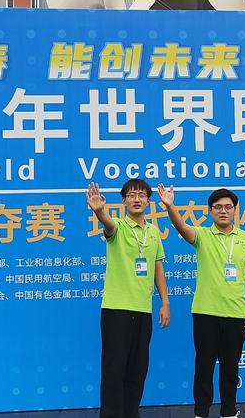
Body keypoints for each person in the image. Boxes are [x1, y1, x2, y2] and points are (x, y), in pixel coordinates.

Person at [158, 184, 245, 418]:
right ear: (210, 211)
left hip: (236, 313)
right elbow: (181, 227)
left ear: (235, 210)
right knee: (204, 366)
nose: (223, 211)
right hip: (206, 313)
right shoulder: (202, 235)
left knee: (231, 367)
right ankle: (201, 412)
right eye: (218, 207)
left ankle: (228, 411)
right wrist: (170, 206)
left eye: (228, 207)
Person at [86, 179, 171, 418]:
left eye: (142, 195)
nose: (137, 199)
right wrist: (99, 211)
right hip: (116, 310)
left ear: (148, 201)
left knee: (137, 370)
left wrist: (165, 302)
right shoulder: (118, 227)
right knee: (114, 370)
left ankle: (131, 412)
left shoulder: (153, 232)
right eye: (132, 195)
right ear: (123, 201)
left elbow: (157, 268)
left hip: (143, 310)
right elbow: (108, 225)